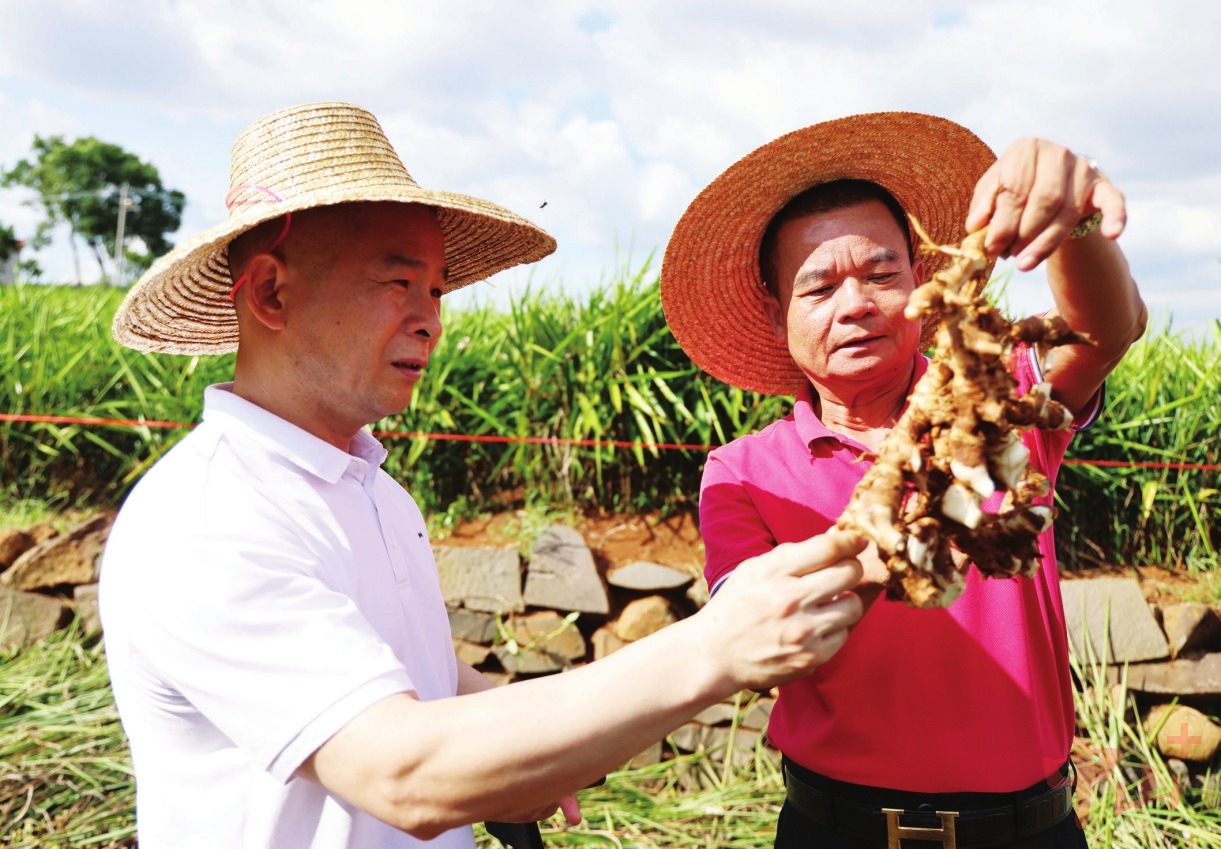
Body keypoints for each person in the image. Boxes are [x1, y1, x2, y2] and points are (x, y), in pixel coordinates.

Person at [98, 101, 867, 849]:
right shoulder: (206, 517)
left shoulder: (373, 491)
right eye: (397, 282)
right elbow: (402, 771)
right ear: (271, 291)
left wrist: (513, 733)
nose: (431, 317)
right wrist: (713, 646)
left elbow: (408, 672)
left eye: (435, 289)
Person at [659, 112, 1147, 849]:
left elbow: (1109, 326)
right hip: (836, 829)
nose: (855, 303)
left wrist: (1071, 219)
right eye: (818, 287)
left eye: (881, 273)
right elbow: (751, 634)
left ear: (921, 279)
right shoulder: (743, 472)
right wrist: (942, 506)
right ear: (775, 310)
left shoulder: (996, 391)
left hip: (1030, 830)